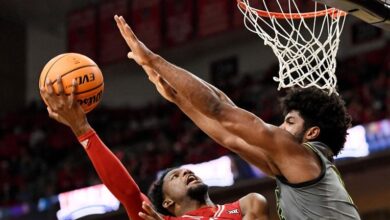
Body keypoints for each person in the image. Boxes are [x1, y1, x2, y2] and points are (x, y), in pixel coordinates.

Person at [114, 15, 361, 219]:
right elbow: (229, 137)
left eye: (290, 121)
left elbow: (218, 108)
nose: (280, 127)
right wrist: (178, 98)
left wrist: (153, 60)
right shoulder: (298, 166)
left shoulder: (300, 154)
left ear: (312, 133)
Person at [39, 76, 269, 220]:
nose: (187, 171)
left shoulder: (248, 203)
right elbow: (128, 193)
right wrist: (82, 129)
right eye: (175, 177)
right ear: (168, 203)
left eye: (183, 171)